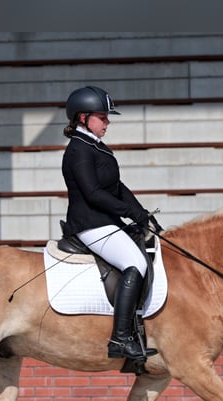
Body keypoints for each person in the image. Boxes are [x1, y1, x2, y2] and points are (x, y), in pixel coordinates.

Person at [61, 85, 163, 361]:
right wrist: (130, 213)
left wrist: (142, 213)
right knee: (136, 264)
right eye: (102, 117)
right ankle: (120, 339)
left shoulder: (95, 146)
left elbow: (116, 187)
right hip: (91, 225)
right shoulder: (78, 150)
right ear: (83, 117)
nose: (108, 122)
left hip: (107, 221)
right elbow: (93, 193)